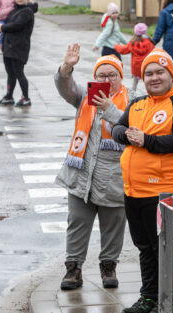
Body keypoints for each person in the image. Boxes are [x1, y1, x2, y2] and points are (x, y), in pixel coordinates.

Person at [112, 48, 173, 313]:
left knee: (165, 248)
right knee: (144, 247)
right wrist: (128, 136)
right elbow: (117, 128)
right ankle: (149, 297)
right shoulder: (137, 103)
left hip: (164, 192)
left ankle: (168, 301)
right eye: (148, 73)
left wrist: (147, 140)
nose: (154, 77)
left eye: (160, 72)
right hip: (133, 190)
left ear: (170, 74)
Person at [55, 44, 129, 291]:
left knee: (114, 225)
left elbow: (130, 126)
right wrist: (67, 67)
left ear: (121, 77)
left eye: (112, 75)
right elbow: (65, 88)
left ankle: (109, 266)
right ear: (94, 77)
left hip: (114, 177)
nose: (106, 80)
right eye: (101, 75)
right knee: (76, 222)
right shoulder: (84, 98)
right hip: (81, 174)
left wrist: (109, 107)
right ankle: (73, 269)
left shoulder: (133, 102)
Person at [0, 0, 38, 107]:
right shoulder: (13, 10)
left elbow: (17, 25)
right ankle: (9, 97)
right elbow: (7, 22)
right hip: (9, 47)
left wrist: (2, 28)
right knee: (10, 74)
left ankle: (26, 98)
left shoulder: (27, 11)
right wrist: (0, 25)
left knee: (19, 73)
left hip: (19, 48)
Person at [115, 23, 154, 93]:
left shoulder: (133, 43)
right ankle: (150, 93)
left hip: (136, 67)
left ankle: (132, 94)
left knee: (135, 82)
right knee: (147, 80)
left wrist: (116, 46)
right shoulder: (149, 43)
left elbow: (123, 50)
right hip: (146, 66)